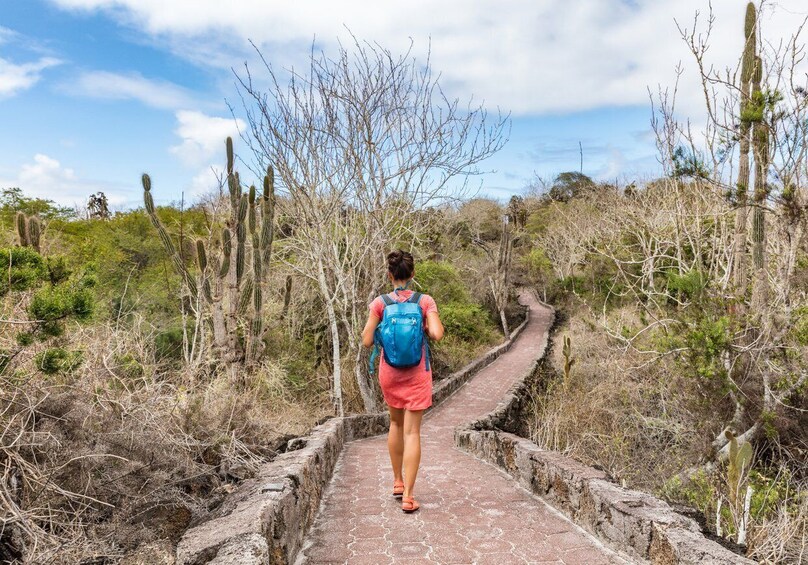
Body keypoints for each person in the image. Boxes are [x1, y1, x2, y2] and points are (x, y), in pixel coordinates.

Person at [361, 250, 444, 513]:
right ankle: (409, 496)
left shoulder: (381, 303)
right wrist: (426, 325)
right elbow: (437, 334)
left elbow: (366, 340)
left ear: (390, 275)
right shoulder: (424, 301)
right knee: (412, 432)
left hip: (390, 372)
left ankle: (397, 482)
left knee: (395, 424)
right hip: (417, 373)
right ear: (413, 274)